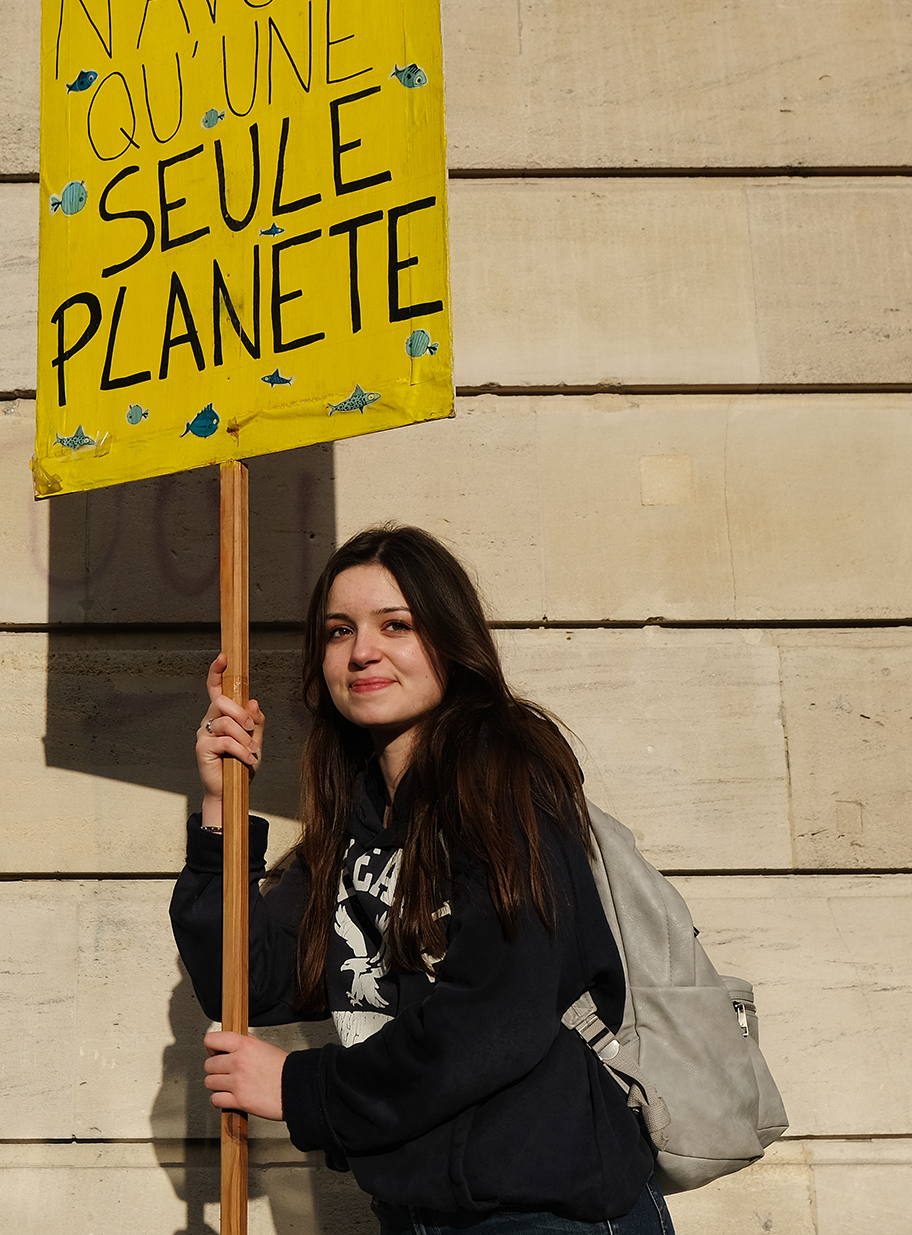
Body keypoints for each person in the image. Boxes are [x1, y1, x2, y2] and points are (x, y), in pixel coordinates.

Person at [170, 524, 674, 1235]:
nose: (362, 651)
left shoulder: (503, 776)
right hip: (419, 1215)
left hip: (541, 1210)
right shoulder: (355, 820)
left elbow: (494, 1019)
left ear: (449, 640)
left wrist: (299, 1086)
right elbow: (248, 980)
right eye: (339, 631)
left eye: (395, 625)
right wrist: (223, 804)